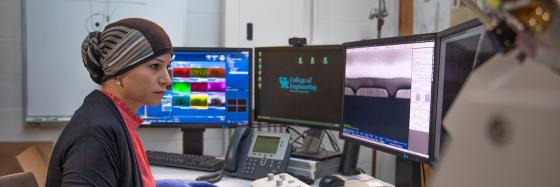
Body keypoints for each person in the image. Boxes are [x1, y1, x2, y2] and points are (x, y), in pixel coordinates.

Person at [45, 18, 214, 187]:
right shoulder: (94, 136)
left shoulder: (114, 117)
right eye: (155, 66)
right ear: (119, 71)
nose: (167, 79)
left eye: (167, 66)